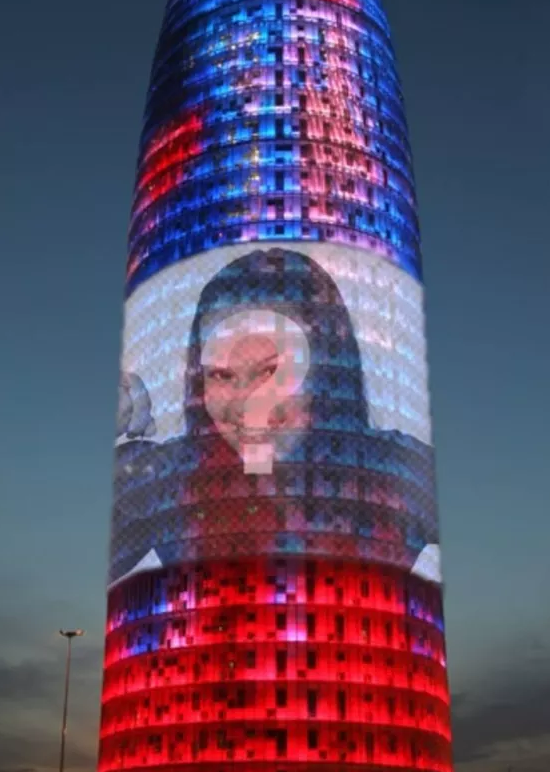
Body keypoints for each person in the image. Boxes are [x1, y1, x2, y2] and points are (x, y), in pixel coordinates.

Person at [111, 247, 439, 584]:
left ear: (325, 371)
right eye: (222, 376)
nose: (246, 405)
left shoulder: (396, 469)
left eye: (271, 372)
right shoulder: (164, 476)